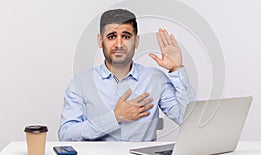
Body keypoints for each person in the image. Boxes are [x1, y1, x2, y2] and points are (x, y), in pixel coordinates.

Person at [58, 9, 196, 141]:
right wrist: (116, 117)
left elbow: (187, 119)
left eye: (126, 36)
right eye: (112, 36)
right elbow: (66, 134)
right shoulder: (81, 83)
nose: (119, 44)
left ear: (136, 41)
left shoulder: (154, 79)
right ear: (100, 41)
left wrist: (176, 69)